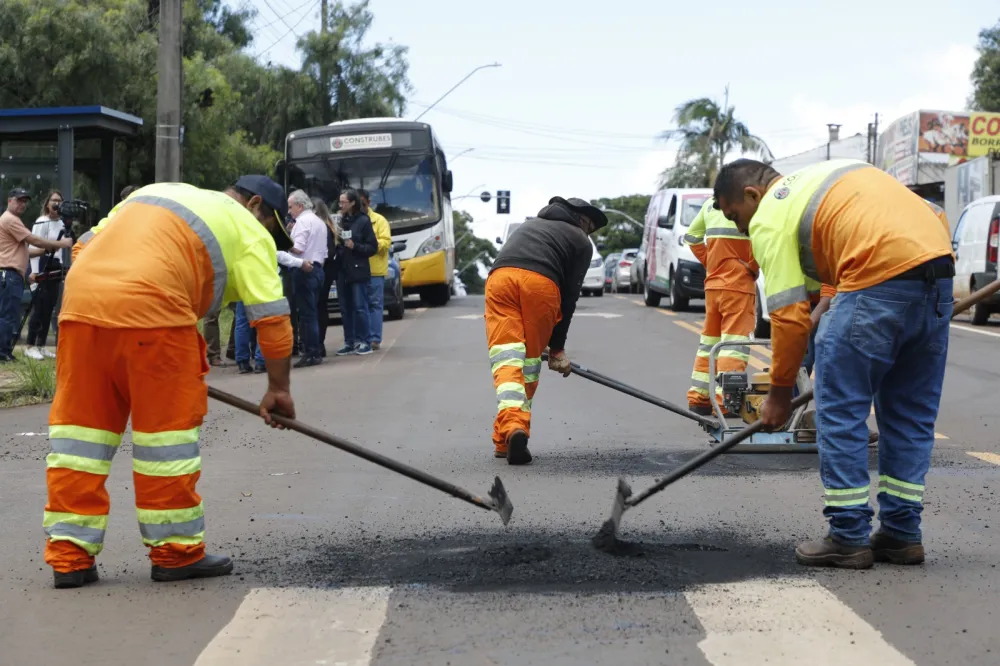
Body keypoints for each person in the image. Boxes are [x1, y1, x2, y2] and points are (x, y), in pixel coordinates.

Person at [46, 175, 297, 589]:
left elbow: (83, 245)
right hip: (156, 312)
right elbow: (271, 319)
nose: (270, 234)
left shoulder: (153, 192)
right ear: (256, 206)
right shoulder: (248, 228)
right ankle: (175, 553)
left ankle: (70, 556)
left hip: (82, 305)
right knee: (164, 442)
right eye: (274, 224)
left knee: (80, 440)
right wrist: (279, 390)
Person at [712, 157, 954, 570]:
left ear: (753, 195)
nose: (739, 229)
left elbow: (787, 317)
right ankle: (901, 533)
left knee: (840, 412)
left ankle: (847, 535)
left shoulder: (771, 212)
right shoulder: (836, 173)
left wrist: (780, 394)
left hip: (875, 281)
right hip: (935, 275)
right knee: (910, 416)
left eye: (736, 216)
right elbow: (933, 214)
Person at [484, 196, 607, 464]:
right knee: (527, 365)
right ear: (583, 219)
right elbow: (569, 298)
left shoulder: (529, 226)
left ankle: (504, 439)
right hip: (539, 285)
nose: (589, 232)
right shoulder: (580, 241)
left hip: (499, 280)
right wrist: (558, 349)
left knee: (506, 359)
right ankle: (516, 427)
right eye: (590, 227)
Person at [683, 196, 758, 415]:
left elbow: (692, 236)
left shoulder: (709, 204)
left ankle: (699, 398)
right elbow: (764, 240)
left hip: (713, 286)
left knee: (709, 344)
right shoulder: (749, 206)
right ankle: (726, 403)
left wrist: (711, 261)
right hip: (738, 286)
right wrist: (752, 266)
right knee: (734, 346)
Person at [0, 188, 73, 362]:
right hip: (10, 273)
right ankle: (3, 352)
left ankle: (5, 350)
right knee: (9, 315)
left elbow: (28, 251)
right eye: (19, 200)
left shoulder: (12, 220)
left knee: (12, 314)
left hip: (13, 274)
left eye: (25, 201)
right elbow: (33, 240)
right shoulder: (10, 219)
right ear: (10, 201)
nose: (22, 204)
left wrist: (49, 248)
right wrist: (60, 244)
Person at [286, 189, 329, 367]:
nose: (289, 211)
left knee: (306, 315)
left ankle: (311, 353)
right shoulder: (319, 222)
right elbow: (324, 253)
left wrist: (284, 241)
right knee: (312, 312)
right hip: (318, 268)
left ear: (300, 205)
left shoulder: (302, 222)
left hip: (304, 269)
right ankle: (315, 349)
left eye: (290, 207)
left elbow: (298, 248)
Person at [333, 189, 378, 356]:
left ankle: (364, 341)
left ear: (352, 203)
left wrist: (356, 246)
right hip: (342, 269)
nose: (341, 205)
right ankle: (349, 341)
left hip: (358, 270)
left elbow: (373, 247)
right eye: (340, 202)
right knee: (345, 308)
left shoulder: (363, 221)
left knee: (360, 307)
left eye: (343, 202)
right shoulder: (341, 220)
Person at [25, 190, 68, 359]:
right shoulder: (41, 222)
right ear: (47, 204)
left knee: (49, 308)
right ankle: (29, 345)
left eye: (59, 200)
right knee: (39, 308)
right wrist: (35, 273)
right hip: (41, 267)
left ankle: (41, 345)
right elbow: (32, 249)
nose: (56, 204)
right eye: (53, 200)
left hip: (56, 269)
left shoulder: (63, 224)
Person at [359, 189, 392, 350]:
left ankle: (374, 339)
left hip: (375, 270)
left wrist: (369, 245)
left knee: (374, 305)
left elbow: (386, 242)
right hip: (357, 270)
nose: (361, 207)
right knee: (360, 306)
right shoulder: (352, 220)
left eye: (363, 204)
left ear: (368, 203)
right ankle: (362, 338)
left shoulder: (380, 221)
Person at [312, 197, 340, 356]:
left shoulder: (323, 227)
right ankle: (318, 342)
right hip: (327, 270)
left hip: (323, 269)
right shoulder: (328, 226)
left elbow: (328, 253)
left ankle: (319, 343)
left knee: (318, 305)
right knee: (320, 306)